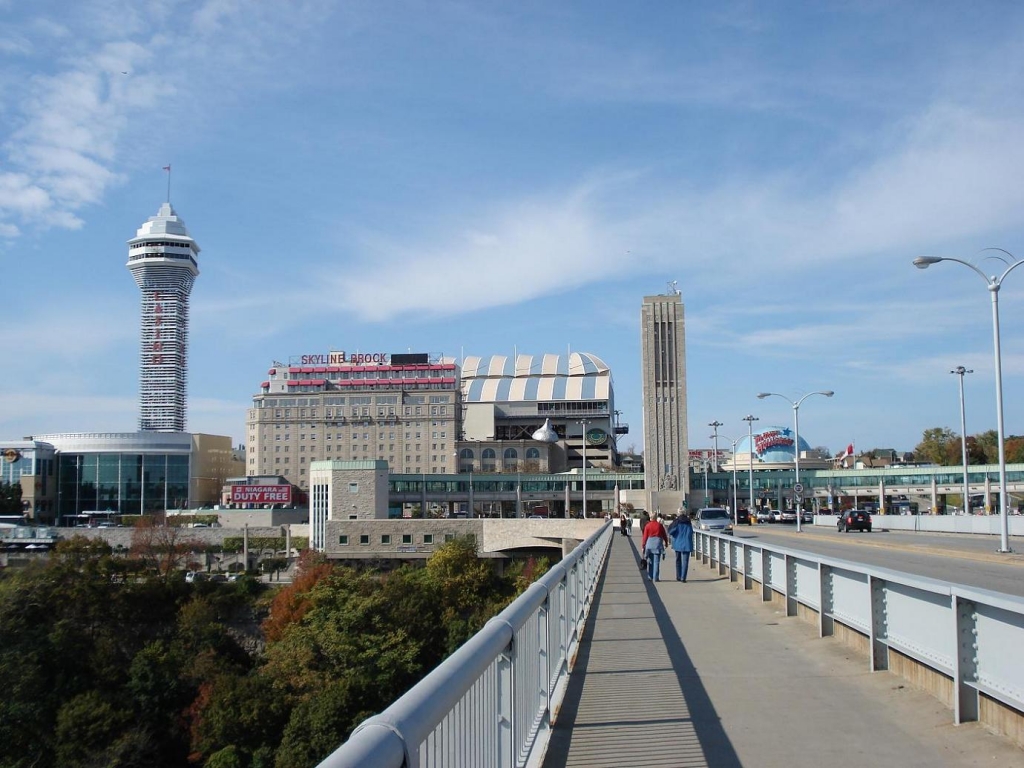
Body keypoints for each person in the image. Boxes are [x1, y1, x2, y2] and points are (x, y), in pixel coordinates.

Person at [667, 512, 694, 582]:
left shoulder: (676, 522)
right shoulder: (688, 522)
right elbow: (691, 532)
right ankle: (683, 577)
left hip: (677, 542)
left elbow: (670, 531)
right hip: (687, 543)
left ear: (679, 513)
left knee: (678, 560)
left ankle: (678, 576)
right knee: (685, 561)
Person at [641, 513, 669, 581]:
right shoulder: (659, 525)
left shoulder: (647, 526)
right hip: (657, 544)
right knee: (656, 562)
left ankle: (650, 576)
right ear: (656, 518)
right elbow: (664, 535)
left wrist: (643, 545)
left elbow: (645, 537)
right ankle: (655, 577)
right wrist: (666, 542)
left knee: (650, 561)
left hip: (649, 544)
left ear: (650, 518)